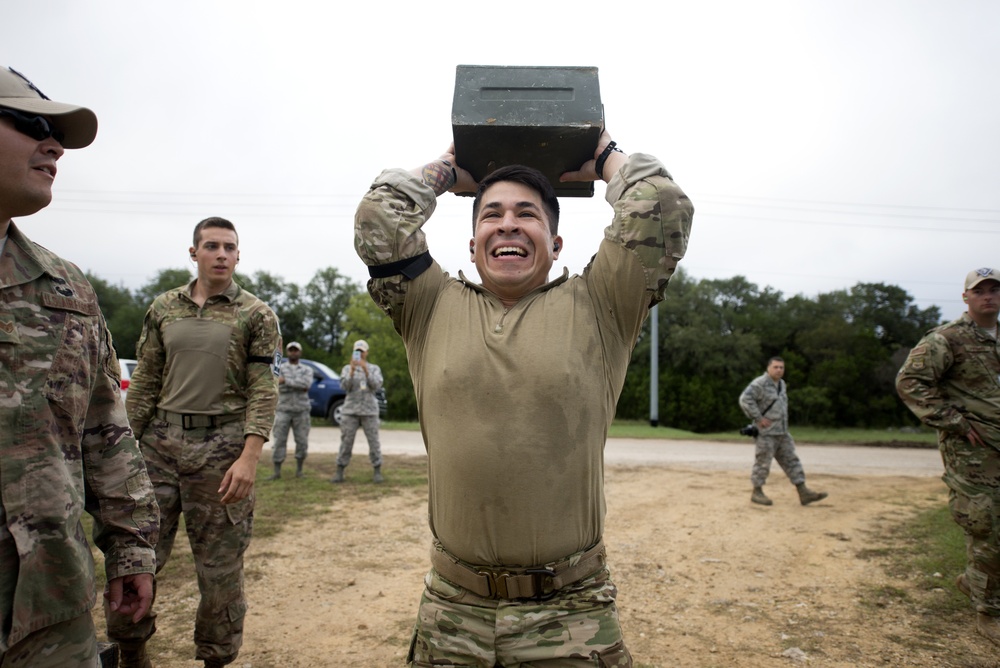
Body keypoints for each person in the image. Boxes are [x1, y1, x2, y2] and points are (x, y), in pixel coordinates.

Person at [354, 130, 692, 666]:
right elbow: (379, 219)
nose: (508, 223)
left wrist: (603, 154)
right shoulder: (425, 303)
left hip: (571, 613)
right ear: (472, 243)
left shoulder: (605, 302)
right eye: (491, 214)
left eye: (527, 214)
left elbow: (661, 205)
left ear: (556, 245)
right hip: (452, 609)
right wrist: (447, 168)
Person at [0, 66, 158, 667]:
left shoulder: (64, 288)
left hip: (52, 610)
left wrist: (130, 551)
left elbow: (104, 431)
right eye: (31, 124)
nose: (55, 145)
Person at [107, 217, 281, 668]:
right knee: (135, 555)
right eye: (211, 246)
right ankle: (132, 651)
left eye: (229, 247)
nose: (221, 254)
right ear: (194, 253)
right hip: (159, 447)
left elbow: (264, 387)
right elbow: (144, 380)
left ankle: (216, 659)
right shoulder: (164, 308)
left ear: (239, 255)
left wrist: (249, 455)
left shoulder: (257, 314)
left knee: (219, 569)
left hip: (222, 451)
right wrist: (124, 447)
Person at [896, 267, 1000, 646]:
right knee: (988, 528)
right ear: (966, 297)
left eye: (994, 289)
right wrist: (952, 421)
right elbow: (910, 382)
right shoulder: (947, 339)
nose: (988, 296)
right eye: (980, 290)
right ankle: (989, 613)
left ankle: (974, 582)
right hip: (973, 450)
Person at [738, 357, 828, 507]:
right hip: (766, 433)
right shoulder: (759, 384)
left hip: (782, 432)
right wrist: (758, 418)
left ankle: (803, 491)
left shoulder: (781, 384)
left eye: (781, 367)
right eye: (776, 367)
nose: (779, 370)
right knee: (763, 463)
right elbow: (745, 399)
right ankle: (757, 492)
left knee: (792, 460)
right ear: (768, 368)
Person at [332, 339, 385, 484]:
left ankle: (377, 470)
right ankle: (340, 470)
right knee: (346, 441)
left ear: (367, 352)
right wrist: (352, 370)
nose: (360, 354)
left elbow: (376, 386)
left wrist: (366, 371)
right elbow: (344, 386)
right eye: (357, 351)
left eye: (362, 351)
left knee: (374, 442)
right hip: (350, 411)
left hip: (369, 411)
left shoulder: (374, 368)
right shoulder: (346, 369)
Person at [267, 341, 313, 480]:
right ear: (287, 352)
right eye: (291, 350)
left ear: (300, 352)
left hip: (301, 410)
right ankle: (276, 471)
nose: (293, 352)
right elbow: (273, 383)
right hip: (283, 410)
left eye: (296, 350)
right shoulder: (279, 367)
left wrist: (285, 381)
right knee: (279, 440)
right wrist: (295, 383)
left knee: (302, 441)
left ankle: (299, 470)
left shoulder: (307, 369)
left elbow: (306, 385)